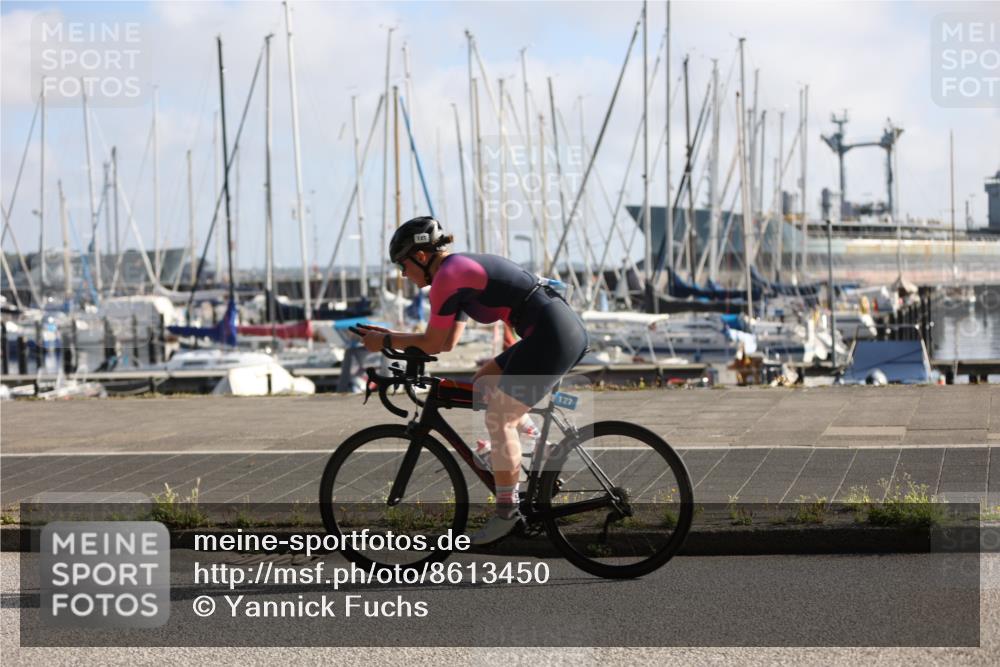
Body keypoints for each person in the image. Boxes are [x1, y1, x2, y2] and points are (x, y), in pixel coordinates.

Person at [355, 216, 589, 545]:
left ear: (420, 257)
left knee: (499, 418)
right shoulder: (454, 274)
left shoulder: (449, 277)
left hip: (552, 333)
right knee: (485, 382)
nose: (403, 274)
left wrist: (387, 342)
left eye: (402, 265)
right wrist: (391, 338)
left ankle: (508, 513)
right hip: (551, 327)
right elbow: (446, 342)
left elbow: (433, 343)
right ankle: (543, 447)